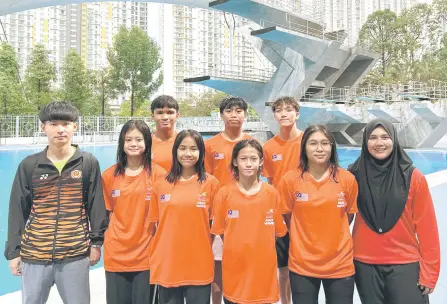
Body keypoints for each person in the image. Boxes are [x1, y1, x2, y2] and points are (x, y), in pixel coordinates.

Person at [5, 101, 108, 304]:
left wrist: (96, 243)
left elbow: (96, 205)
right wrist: (14, 252)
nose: (60, 129)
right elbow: (17, 209)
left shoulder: (87, 163)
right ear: (43, 127)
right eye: (54, 124)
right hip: (35, 252)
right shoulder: (30, 165)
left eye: (66, 124)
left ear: (75, 127)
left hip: (74, 254)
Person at [349, 118, 440, 304]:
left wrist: (430, 273)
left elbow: (427, 228)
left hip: (405, 264)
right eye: (373, 137)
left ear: (394, 140)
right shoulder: (353, 176)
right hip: (365, 264)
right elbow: (339, 220)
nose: (379, 143)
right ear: (366, 141)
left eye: (385, 137)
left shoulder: (413, 177)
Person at [277, 124, 358, 304]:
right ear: (304, 147)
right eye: (313, 143)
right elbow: (287, 217)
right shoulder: (290, 180)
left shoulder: (347, 179)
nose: (319, 149)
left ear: (332, 147)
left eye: (325, 143)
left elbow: (348, 216)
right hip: (302, 265)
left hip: (340, 264)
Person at [211, 139, 287, 304]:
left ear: (261, 162)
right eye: (243, 159)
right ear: (235, 162)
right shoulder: (224, 194)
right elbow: (220, 233)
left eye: (253, 159)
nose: (248, 164)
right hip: (235, 274)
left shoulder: (272, 193)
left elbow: (277, 233)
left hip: (263, 275)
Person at [149, 130, 220, 304]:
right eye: (182, 148)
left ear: (201, 152)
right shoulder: (160, 184)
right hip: (168, 264)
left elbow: (216, 226)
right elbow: (155, 227)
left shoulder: (211, 184)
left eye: (193, 149)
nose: (188, 154)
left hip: (199, 263)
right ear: (175, 151)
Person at [102, 120, 166, 304]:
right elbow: (106, 214)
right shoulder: (109, 176)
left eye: (138, 139)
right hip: (116, 254)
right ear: (122, 143)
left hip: (147, 256)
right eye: (128, 139)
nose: (133, 144)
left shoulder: (159, 175)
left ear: (147, 142)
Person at [204, 96, 253, 304]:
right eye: (229, 111)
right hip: (218, 216)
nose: (234, 115)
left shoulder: (253, 143)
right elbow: (203, 181)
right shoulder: (210, 145)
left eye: (239, 111)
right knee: (218, 269)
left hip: (248, 214)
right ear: (221, 114)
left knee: (246, 265)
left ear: (245, 115)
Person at [262, 96, 303, 304]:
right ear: (275, 116)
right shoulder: (268, 147)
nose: (284, 113)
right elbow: (269, 182)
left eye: (288, 109)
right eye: (279, 110)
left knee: (304, 267)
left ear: (297, 113)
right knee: (283, 268)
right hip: (280, 214)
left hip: (305, 213)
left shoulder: (308, 141)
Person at [151, 95, 180, 171]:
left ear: (177, 115)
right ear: (152, 116)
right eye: (160, 112)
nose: (165, 117)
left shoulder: (184, 142)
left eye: (170, 112)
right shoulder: (144, 143)